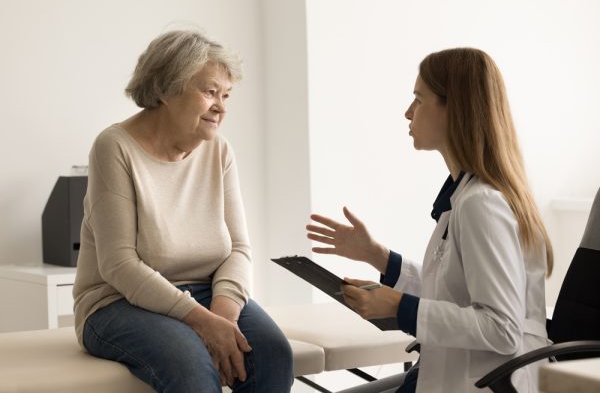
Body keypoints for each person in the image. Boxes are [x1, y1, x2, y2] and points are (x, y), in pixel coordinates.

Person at [306, 48, 552, 393]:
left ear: (455, 109)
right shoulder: (464, 197)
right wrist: (378, 257)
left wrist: (400, 307)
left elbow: (502, 328)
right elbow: (455, 296)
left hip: (485, 382)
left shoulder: (482, 205)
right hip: (450, 372)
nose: (408, 112)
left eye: (419, 100)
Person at [73, 30, 294, 393]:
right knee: (190, 365)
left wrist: (222, 319)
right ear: (165, 88)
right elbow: (118, 265)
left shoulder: (219, 151)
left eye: (226, 95)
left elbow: (239, 249)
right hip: (117, 303)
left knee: (272, 354)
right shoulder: (114, 147)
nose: (221, 107)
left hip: (207, 294)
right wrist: (202, 323)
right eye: (209, 92)